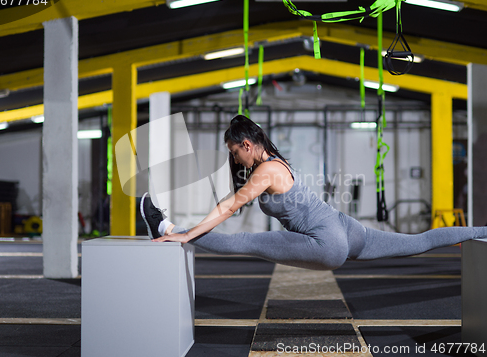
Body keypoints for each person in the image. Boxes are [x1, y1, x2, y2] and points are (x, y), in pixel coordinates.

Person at [140, 115, 487, 271]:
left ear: (247, 145)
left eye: (234, 152)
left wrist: (185, 234)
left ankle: (165, 229)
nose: (234, 158)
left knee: (246, 241)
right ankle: (482, 232)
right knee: (417, 242)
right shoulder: (277, 161)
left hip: (328, 242)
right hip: (346, 229)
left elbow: (229, 206)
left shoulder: (266, 171)